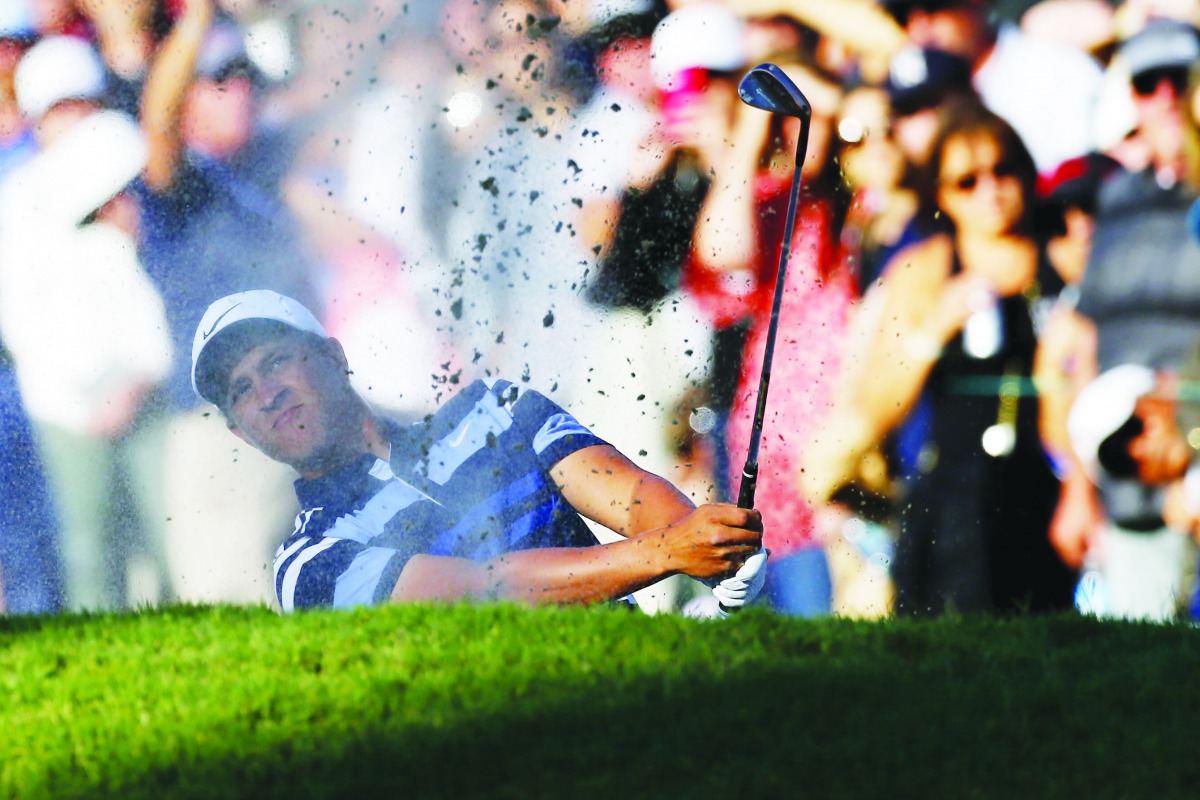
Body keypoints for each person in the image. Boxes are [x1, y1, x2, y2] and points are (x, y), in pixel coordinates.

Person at [189, 290, 768, 613]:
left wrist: (713, 550)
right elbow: (486, 591)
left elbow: (630, 491)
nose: (266, 394)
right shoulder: (307, 562)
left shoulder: (493, 409)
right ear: (240, 432)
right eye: (240, 391)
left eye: (275, 362)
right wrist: (672, 551)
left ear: (334, 357)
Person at [807, 102, 1078, 617]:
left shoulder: (1064, 258)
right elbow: (875, 406)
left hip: (1050, 486)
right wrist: (931, 331)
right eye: (967, 181)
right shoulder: (925, 270)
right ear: (942, 194)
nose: (990, 190)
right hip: (954, 495)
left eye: (1003, 170)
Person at [1048, 18, 1200, 621]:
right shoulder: (1114, 200)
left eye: (1179, 78)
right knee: (1142, 657)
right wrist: (1078, 486)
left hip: (1190, 451)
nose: (1164, 97)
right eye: (1146, 81)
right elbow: (1085, 344)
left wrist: (1187, 428)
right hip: (1128, 478)